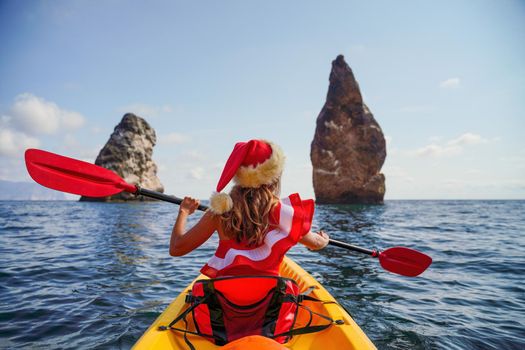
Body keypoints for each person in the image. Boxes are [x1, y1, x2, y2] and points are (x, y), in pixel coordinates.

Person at [169, 139, 329, 278]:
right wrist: (324, 239)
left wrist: (184, 212)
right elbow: (315, 243)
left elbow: (177, 249)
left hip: (228, 301)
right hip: (267, 302)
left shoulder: (220, 211)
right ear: (273, 176)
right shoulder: (282, 211)